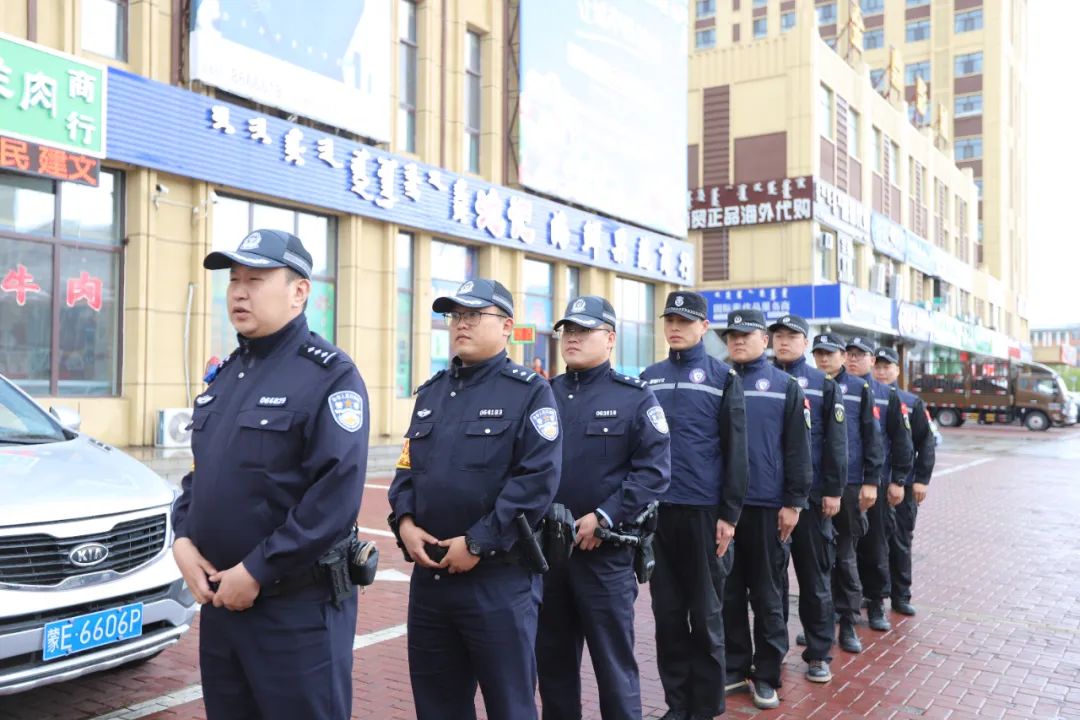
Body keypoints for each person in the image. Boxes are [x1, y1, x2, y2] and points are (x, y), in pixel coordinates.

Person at [171, 228, 370, 719]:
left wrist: (258, 568)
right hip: (222, 605)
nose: (239, 292)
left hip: (295, 614)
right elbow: (201, 473)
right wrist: (183, 539)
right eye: (234, 280)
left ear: (299, 292)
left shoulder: (330, 375)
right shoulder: (226, 376)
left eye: (255, 280)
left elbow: (334, 496)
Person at [387, 278, 562, 720]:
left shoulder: (529, 391)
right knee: (438, 705)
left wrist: (478, 542)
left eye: (473, 315)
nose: (460, 324)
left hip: (497, 582)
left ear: (506, 326)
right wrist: (405, 523)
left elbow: (536, 480)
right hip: (432, 581)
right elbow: (406, 469)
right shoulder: (431, 393)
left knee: (510, 705)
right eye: (455, 315)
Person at [537, 295, 671, 720]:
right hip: (548, 554)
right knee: (553, 664)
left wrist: (604, 516)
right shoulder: (543, 394)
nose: (572, 338)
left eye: (584, 330)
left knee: (614, 666)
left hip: (605, 556)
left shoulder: (635, 398)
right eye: (567, 330)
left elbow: (653, 473)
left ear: (610, 338)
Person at [640, 291, 749, 720]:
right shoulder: (649, 378)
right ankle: (677, 704)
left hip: (705, 513)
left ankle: (705, 706)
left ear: (703, 327)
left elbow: (735, 451)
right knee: (667, 616)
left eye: (684, 321)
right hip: (660, 513)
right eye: (670, 320)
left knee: (706, 615)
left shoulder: (723, 378)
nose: (675, 328)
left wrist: (729, 516)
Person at [720, 309, 812, 710]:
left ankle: (767, 674)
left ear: (764, 339)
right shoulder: (719, 380)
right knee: (728, 592)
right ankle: (735, 666)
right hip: (724, 509)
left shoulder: (784, 386)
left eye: (746, 334)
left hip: (766, 506)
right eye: (732, 335)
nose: (738, 341)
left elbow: (798, 449)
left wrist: (793, 502)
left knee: (767, 594)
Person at [770, 315, 847, 684]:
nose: (783, 342)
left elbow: (836, 441)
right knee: (771, 583)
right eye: (778, 336)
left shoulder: (822, 385)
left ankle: (818, 654)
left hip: (812, 499)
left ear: (805, 342)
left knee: (814, 579)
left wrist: (833, 490)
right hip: (768, 497)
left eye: (792, 336)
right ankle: (773, 652)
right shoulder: (759, 379)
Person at [811, 332, 881, 654]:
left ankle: (849, 622)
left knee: (845, 555)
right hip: (814, 484)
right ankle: (820, 622)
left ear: (841, 355)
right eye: (819, 354)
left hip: (849, 484)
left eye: (830, 353)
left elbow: (871, 436)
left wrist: (871, 480)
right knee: (817, 559)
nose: (824, 359)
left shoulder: (859, 388)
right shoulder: (807, 384)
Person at [845, 337, 914, 633]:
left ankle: (876, 604)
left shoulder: (887, 395)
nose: (853, 359)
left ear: (872, 361)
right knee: (841, 550)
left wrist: (898, 480)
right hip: (843, 485)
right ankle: (841, 609)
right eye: (849, 354)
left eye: (860, 355)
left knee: (876, 546)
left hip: (877, 484)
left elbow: (902, 441)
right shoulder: (836, 389)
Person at [872, 346, 936, 616]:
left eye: (887, 367)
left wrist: (921, 479)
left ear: (897, 370)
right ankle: (872, 593)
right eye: (877, 366)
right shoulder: (866, 396)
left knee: (899, 541)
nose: (881, 372)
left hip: (903, 484)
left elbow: (926, 442)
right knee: (871, 542)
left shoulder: (911, 402)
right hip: (873, 483)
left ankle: (901, 595)